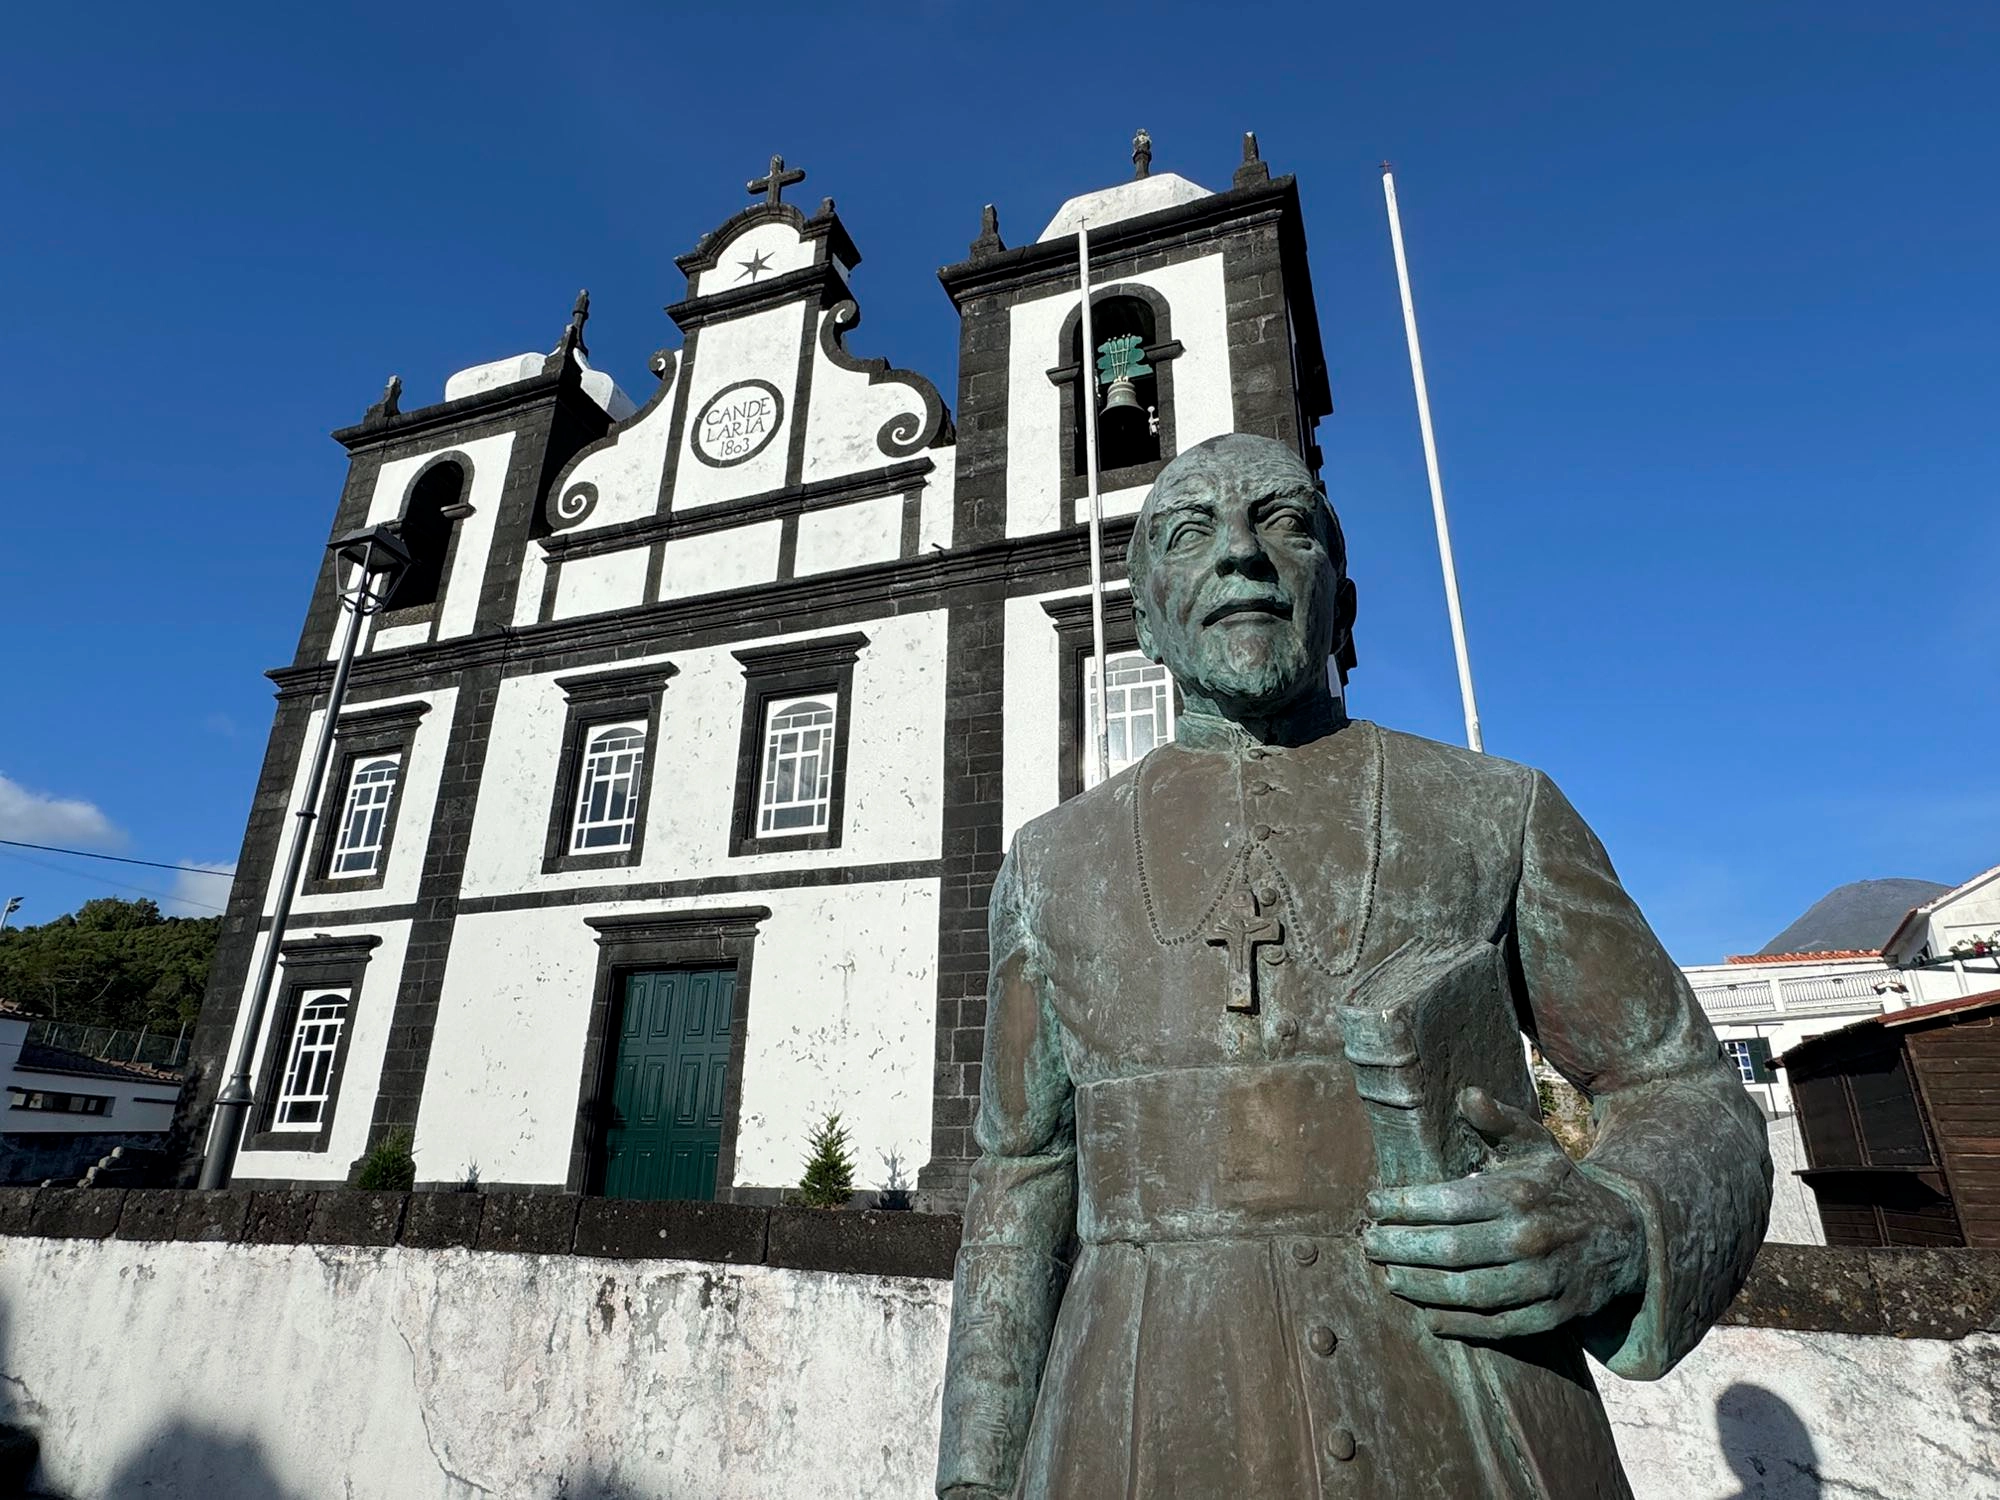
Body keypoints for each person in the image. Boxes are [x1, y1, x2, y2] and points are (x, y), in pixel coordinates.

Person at [936, 433, 1771, 1499]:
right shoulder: (1047, 864)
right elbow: (1018, 1182)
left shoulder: (1496, 810)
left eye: (1283, 523)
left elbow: (1684, 1084)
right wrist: (974, 1475)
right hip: (1135, 1416)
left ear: (1344, 604)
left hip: (1470, 1412)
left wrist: (1621, 1220)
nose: (1240, 555)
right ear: (1143, 617)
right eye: (1189, 533)